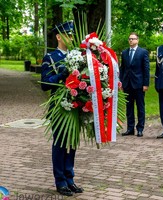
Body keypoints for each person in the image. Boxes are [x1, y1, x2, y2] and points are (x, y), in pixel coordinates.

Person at [41, 21, 83, 196]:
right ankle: (60, 181)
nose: (71, 37)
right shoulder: (50, 58)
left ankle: (70, 178)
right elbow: (44, 84)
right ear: (59, 37)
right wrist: (60, 76)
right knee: (59, 144)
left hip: (75, 106)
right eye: (68, 34)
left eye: (72, 34)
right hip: (58, 108)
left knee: (72, 144)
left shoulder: (78, 56)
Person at [120, 32, 150, 137]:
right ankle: (130, 128)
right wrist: (121, 82)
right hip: (127, 84)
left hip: (139, 84)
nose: (131, 40)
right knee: (129, 107)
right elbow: (122, 68)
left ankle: (140, 128)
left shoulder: (143, 52)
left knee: (140, 107)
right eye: (129, 39)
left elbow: (146, 69)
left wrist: (146, 84)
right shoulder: (124, 53)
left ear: (137, 40)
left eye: (133, 39)